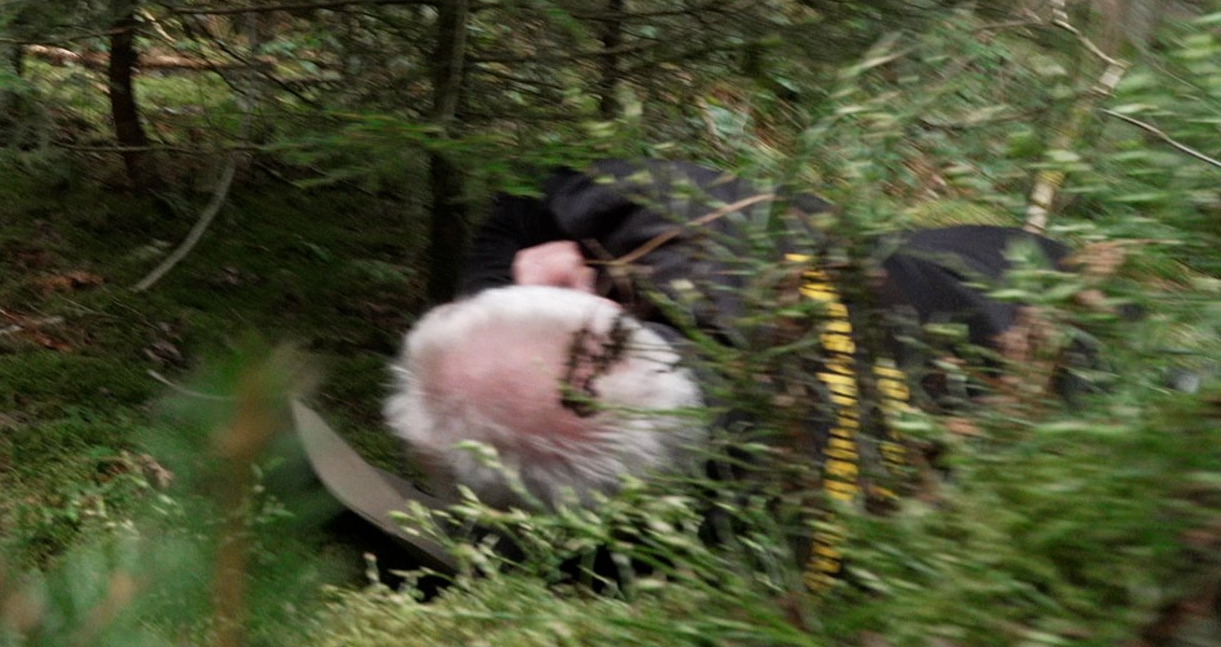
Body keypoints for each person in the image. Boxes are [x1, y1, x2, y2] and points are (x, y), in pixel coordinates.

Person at [315, 160, 1089, 583]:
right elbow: (542, 186)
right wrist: (585, 263)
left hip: (1070, 335)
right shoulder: (726, 242)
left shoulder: (714, 566)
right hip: (999, 271)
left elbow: (527, 193)